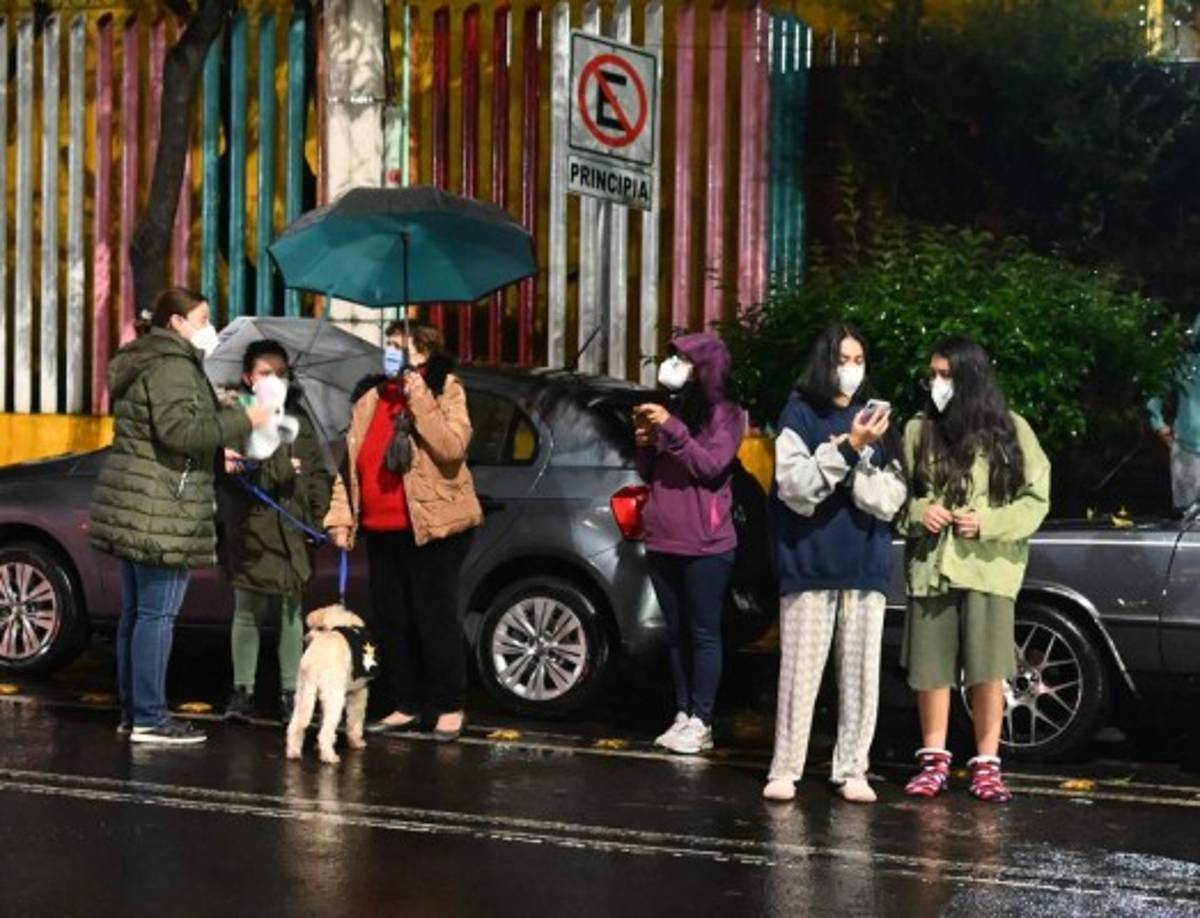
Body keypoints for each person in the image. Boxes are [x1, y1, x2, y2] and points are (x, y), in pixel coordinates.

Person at [89, 287, 271, 745]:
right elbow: (180, 431)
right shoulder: (172, 366)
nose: (209, 326)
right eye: (203, 317)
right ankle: (150, 716)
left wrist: (219, 426)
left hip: (145, 502)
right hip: (163, 507)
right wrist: (246, 418)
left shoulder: (152, 361)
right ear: (176, 322)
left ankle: (135, 713)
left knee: (138, 614)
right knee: (156, 616)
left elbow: (174, 429)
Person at [900, 336, 1050, 803]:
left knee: (988, 669)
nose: (938, 383)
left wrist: (988, 523)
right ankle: (934, 759)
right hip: (934, 566)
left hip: (989, 569)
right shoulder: (917, 430)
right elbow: (896, 497)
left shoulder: (1012, 430)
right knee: (931, 668)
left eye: (947, 375)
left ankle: (987, 763)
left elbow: (1036, 501)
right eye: (934, 374)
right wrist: (920, 510)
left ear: (971, 378)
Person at [762, 324, 907, 804]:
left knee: (862, 675)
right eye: (843, 360)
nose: (851, 370)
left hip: (865, 564)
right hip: (809, 562)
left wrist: (856, 464)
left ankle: (852, 769)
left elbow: (892, 497)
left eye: (859, 360)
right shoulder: (799, 414)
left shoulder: (880, 421)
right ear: (825, 362)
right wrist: (847, 448)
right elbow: (795, 487)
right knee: (800, 674)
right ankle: (785, 767)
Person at [325, 322, 482, 742]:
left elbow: (452, 447)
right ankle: (406, 702)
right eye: (389, 346)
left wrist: (421, 402)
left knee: (434, 617)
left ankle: (448, 705)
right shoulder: (371, 398)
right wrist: (340, 518)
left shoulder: (446, 388)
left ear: (424, 353)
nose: (391, 353)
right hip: (383, 529)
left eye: (400, 346)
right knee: (392, 620)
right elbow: (350, 467)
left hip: (433, 528)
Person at [636, 332, 747, 756]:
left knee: (703, 632)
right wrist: (645, 444)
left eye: (683, 359)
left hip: (706, 543)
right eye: (672, 358)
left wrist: (671, 428)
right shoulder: (676, 410)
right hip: (663, 537)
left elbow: (711, 466)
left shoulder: (728, 414)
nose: (674, 367)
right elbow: (651, 473)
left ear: (706, 367)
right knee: (677, 633)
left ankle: (703, 718)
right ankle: (682, 713)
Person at [219, 340, 331, 725]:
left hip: (293, 530)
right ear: (249, 378)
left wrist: (317, 522)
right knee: (248, 610)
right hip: (251, 528)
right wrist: (279, 467)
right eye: (266, 373)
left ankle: (290, 692)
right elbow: (231, 473)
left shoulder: (299, 421)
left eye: (281, 374)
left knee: (290, 612)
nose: (273, 381)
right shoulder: (236, 417)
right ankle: (242, 691)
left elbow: (316, 475)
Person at [1147, 319, 1200, 513]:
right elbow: (1155, 394)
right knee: (1189, 521)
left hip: (1186, 447)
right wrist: (1159, 424)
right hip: (1187, 451)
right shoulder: (1184, 363)